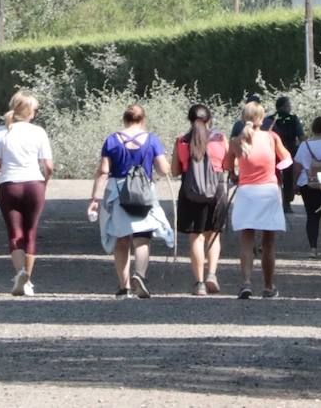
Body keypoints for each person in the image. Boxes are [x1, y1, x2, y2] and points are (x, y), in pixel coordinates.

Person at [88, 104, 173, 299]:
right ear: (143, 119)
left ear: (124, 119)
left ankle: (123, 285)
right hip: (143, 191)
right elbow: (163, 169)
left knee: (122, 238)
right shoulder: (152, 140)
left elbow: (103, 171)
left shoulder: (112, 140)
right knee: (142, 237)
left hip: (118, 192)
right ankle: (140, 275)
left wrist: (95, 198)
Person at [0, 92, 54, 296]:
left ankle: (20, 274)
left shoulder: (1, 132)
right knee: (31, 232)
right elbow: (48, 165)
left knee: (15, 233)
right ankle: (29, 281)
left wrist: (0, 167)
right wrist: (45, 182)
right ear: (30, 112)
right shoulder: (39, 132)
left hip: (10, 185)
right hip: (34, 183)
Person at [224, 99, 292, 298]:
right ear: (261, 119)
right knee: (269, 242)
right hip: (268, 191)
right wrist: (275, 169)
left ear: (243, 118)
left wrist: (237, 175)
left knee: (246, 240)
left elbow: (228, 166)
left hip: (247, 193)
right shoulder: (271, 138)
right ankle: (268, 286)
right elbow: (287, 159)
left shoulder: (236, 142)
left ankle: (245, 282)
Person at [172, 104, 228, 295]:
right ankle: (212, 274)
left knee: (196, 236)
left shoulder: (181, 141)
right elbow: (229, 164)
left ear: (189, 119)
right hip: (217, 191)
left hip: (191, 191)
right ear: (209, 119)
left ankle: (199, 283)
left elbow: (175, 171)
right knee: (213, 234)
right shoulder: (220, 139)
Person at [292, 117, 321, 258]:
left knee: (312, 216)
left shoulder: (305, 145)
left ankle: (313, 248)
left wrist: (295, 183)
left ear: (313, 128)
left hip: (308, 182)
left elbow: (297, 166)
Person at [267, 96, 305, 213]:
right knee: (288, 177)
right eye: (289, 105)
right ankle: (287, 203)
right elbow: (301, 136)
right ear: (284, 106)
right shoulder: (293, 119)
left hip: (272, 150)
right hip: (289, 150)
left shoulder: (269, 119)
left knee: (273, 176)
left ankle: (274, 202)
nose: (290, 107)